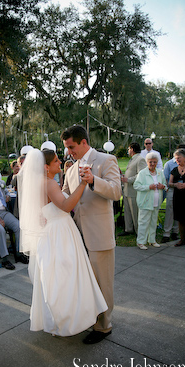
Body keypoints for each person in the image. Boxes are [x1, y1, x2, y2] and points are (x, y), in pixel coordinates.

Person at [18, 148, 107, 337]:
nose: (60, 162)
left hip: (52, 231)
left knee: (60, 278)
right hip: (59, 235)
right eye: (56, 160)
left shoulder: (41, 183)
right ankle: (67, 320)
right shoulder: (49, 183)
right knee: (66, 277)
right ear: (46, 167)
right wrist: (83, 183)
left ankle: (61, 319)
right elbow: (66, 206)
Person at [61, 125, 122, 344]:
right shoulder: (70, 169)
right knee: (87, 282)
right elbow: (66, 195)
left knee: (102, 282)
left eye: (72, 147)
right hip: (77, 236)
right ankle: (90, 317)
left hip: (99, 233)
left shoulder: (106, 160)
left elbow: (116, 191)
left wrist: (94, 180)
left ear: (83, 142)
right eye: (67, 148)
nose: (69, 151)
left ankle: (104, 326)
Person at [133, 152, 167, 250]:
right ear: (147, 162)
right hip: (145, 202)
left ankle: (152, 240)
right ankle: (141, 242)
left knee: (153, 222)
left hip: (156, 202)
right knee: (143, 222)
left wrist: (163, 186)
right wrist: (148, 187)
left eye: (155, 162)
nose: (152, 164)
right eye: (150, 162)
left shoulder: (160, 172)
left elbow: (165, 185)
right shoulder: (142, 173)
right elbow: (136, 185)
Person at [161, 144, 185, 243]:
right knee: (170, 212)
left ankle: (175, 232)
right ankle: (166, 233)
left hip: (183, 191)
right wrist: (168, 188)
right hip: (172, 190)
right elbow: (164, 178)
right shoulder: (169, 164)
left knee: (179, 212)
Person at [119, 142, 146, 236]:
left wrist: (128, 179)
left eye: (129, 149)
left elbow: (141, 175)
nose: (128, 151)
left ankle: (138, 231)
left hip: (134, 190)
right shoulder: (132, 159)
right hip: (127, 190)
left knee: (135, 212)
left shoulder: (140, 159)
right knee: (127, 211)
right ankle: (128, 229)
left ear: (132, 149)